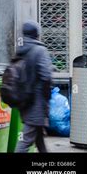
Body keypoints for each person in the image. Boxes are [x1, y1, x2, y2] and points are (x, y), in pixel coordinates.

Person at [15, 20, 53, 153]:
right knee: (25, 140)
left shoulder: (20, 50)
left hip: (24, 101)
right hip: (37, 103)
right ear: (37, 34)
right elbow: (46, 76)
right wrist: (47, 97)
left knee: (38, 138)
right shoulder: (40, 50)